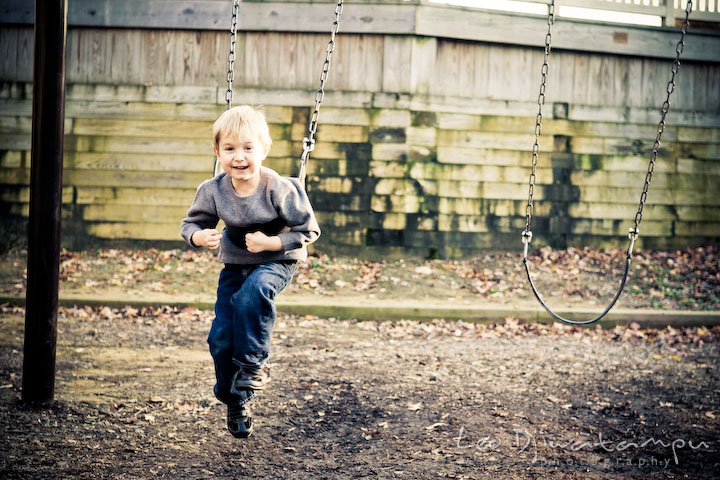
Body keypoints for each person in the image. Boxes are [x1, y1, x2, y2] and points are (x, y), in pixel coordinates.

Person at [181, 105, 321, 438]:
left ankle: (253, 365)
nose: (239, 157)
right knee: (220, 339)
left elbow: (309, 231)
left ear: (264, 149)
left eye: (248, 148)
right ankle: (235, 397)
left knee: (251, 296)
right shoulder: (213, 189)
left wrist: (272, 243)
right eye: (229, 149)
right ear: (217, 152)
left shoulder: (280, 187)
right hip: (235, 265)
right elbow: (192, 223)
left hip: (277, 262)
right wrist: (199, 236)